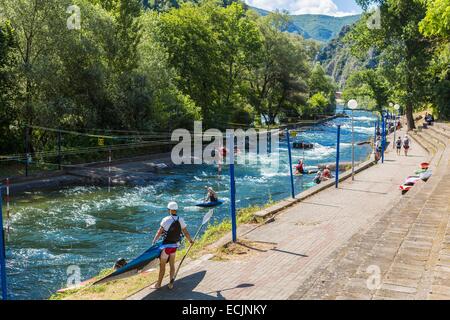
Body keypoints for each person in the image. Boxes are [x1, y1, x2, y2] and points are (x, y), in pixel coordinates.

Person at [152, 201, 194, 289]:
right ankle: (171, 284)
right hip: (174, 247)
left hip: (166, 247)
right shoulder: (181, 219)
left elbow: (159, 232)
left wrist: (154, 241)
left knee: (162, 266)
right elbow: (185, 232)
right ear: (176, 209)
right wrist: (190, 240)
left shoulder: (166, 219)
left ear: (169, 210)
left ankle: (158, 284)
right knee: (172, 265)